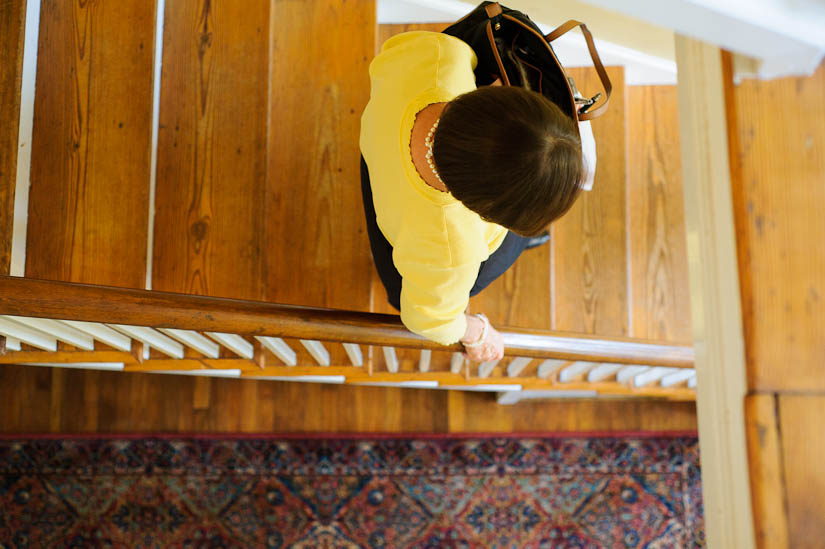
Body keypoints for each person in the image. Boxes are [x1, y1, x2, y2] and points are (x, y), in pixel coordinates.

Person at [359, 31, 593, 363]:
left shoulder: (441, 57)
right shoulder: (449, 246)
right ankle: (526, 239)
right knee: (505, 248)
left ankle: (527, 237)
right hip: (411, 230)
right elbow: (427, 318)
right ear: (483, 210)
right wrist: (477, 332)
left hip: (379, 153)